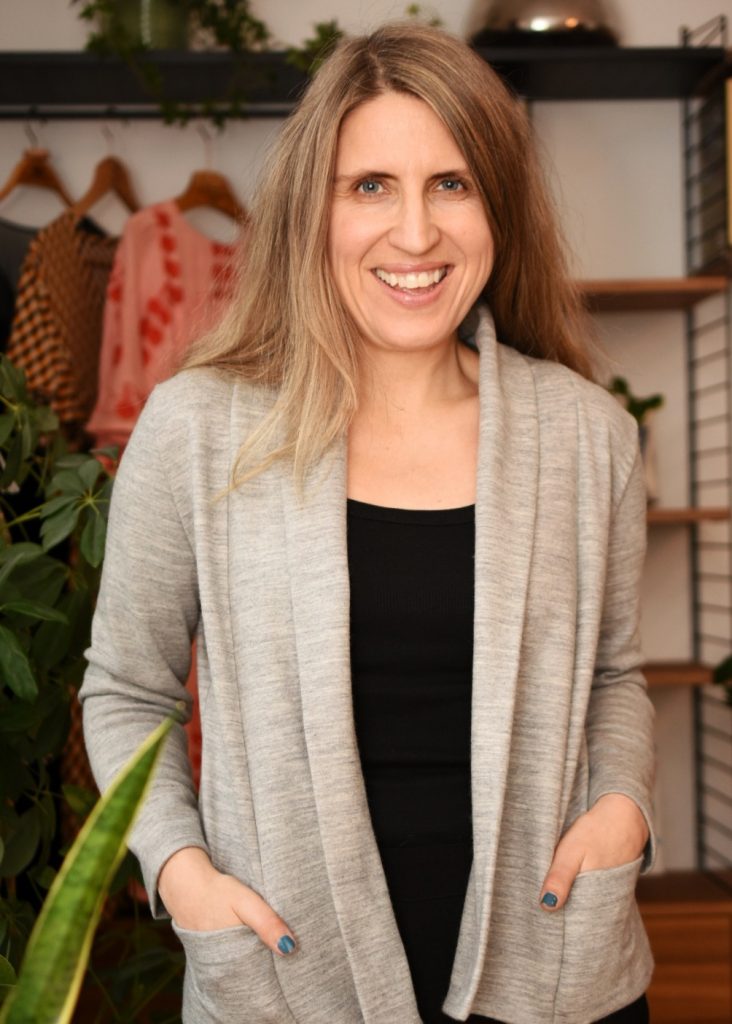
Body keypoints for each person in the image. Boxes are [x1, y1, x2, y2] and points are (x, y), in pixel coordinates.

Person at [79, 22, 656, 1024]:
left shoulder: (587, 433)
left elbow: (615, 675)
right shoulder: (198, 430)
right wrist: (180, 873)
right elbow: (128, 690)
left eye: (452, 183)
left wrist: (622, 812)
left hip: (558, 973)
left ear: (498, 206)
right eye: (372, 186)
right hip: (285, 982)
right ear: (315, 209)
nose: (416, 234)